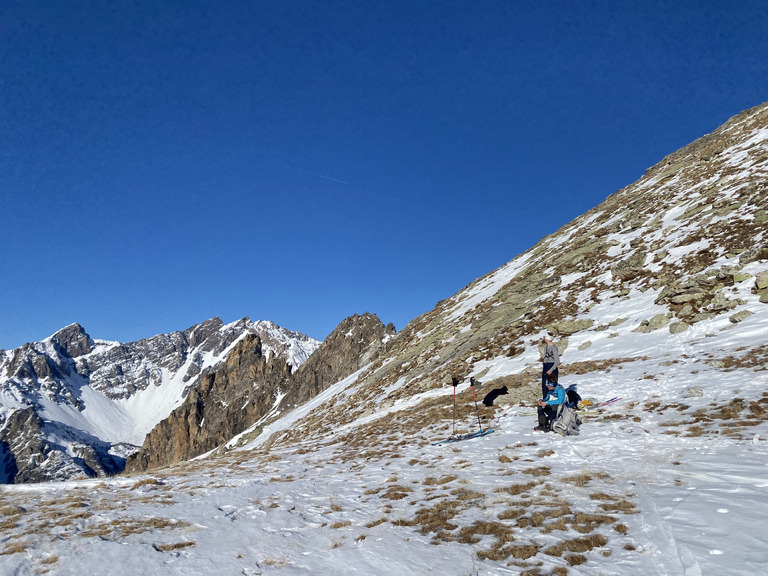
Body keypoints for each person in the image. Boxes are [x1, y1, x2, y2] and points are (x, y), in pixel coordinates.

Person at [541, 333, 560, 399]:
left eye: (545, 337)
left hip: (552, 367)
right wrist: (544, 364)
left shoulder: (554, 348)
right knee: (544, 385)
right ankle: (545, 400)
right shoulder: (546, 346)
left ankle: (553, 400)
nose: (544, 338)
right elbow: (545, 357)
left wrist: (551, 370)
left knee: (552, 385)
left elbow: (557, 361)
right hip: (546, 366)